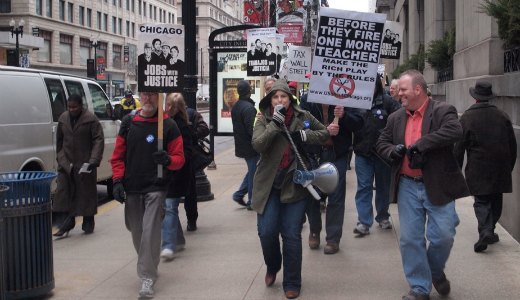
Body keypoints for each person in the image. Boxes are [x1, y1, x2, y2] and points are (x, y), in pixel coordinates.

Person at [376, 69, 469, 300]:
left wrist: (421, 144)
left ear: (418, 89)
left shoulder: (442, 110)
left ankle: (434, 271)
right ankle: (419, 287)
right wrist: (393, 151)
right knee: (410, 239)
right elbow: (382, 142)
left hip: (437, 183)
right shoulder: (396, 117)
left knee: (443, 235)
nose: (399, 94)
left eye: (403, 90)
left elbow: (454, 130)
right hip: (407, 185)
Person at [252, 79, 329, 299]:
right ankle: (273, 265)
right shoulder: (263, 118)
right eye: (275, 97)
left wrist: (304, 135)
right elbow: (257, 145)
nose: (279, 100)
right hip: (268, 186)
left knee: (292, 235)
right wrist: (274, 125)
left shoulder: (302, 116)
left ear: (289, 99)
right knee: (266, 232)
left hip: (294, 185)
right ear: (270, 100)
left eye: (283, 97)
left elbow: (323, 133)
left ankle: (293, 281)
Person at [111, 91, 185, 298]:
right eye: (144, 94)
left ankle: (146, 277)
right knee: (137, 233)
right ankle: (150, 265)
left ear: (160, 97)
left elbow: (180, 158)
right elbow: (117, 157)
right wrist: (117, 180)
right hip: (133, 187)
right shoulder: (128, 123)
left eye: (153, 95)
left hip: (156, 186)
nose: (148, 99)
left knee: (150, 230)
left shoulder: (168, 125)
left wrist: (168, 160)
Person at [453, 80, 517, 253]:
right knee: (496, 200)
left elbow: (459, 147)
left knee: (481, 201)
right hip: (500, 168)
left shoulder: (467, 117)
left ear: (475, 98)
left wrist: (456, 169)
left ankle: (486, 230)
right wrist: (508, 167)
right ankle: (490, 229)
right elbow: (513, 145)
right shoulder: (502, 116)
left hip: (478, 168)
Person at [301, 101, 363, 254]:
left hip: (337, 154)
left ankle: (333, 239)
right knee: (313, 195)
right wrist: (324, 131)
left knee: (336, 196)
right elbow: (302, 126)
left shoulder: (346, 100)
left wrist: (344, 115)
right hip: (314, 154)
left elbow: (359, 123)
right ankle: (314, 230)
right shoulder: (308, 100)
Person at [352, 76, 401, 236]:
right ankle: (364, 222)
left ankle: (382, 215)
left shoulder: (388, 102)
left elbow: (399, 122)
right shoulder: (355, 101)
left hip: (383, 155)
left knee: (383, 187)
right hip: (363, 153)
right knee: (364, 187)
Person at [53, 94, 104, 237]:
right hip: (66, 164)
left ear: (81, 106)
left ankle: (88, 221)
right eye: (69, 107)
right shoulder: (63, 119)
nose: (72, 109)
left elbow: (98, 140)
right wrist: (61, 159)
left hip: (84, 163)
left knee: (86, 194)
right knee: (64, 193)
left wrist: (93, 160)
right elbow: (59, 143)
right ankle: (66, 224)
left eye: (74, 107)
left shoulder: (91, 120)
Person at [160, 93, 194, 260]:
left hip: (176, 172)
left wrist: (171, 160)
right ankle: (178, 240)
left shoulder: (177, 125)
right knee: (169, 207)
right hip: (171, 171)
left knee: (169, 207)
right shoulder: (167, 124)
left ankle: (168, 244)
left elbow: (186, 152)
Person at [231, 80, 260, 209]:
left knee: (252, 171)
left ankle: (239, 194)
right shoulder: (249, 108)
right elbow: (252, 130)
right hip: (250, 147)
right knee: (254, 173)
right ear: (249, 91)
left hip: (243, 145)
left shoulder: (237, 106)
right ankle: (251, 201)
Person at [184, 105, 210, 231]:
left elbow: (204, 129)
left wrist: (191, 135)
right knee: (186, 193)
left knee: (189, 192)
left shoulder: (190, 113)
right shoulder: (164, 115)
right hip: (178, 160)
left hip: (187, 159)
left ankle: (191, 219)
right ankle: (189, 220)